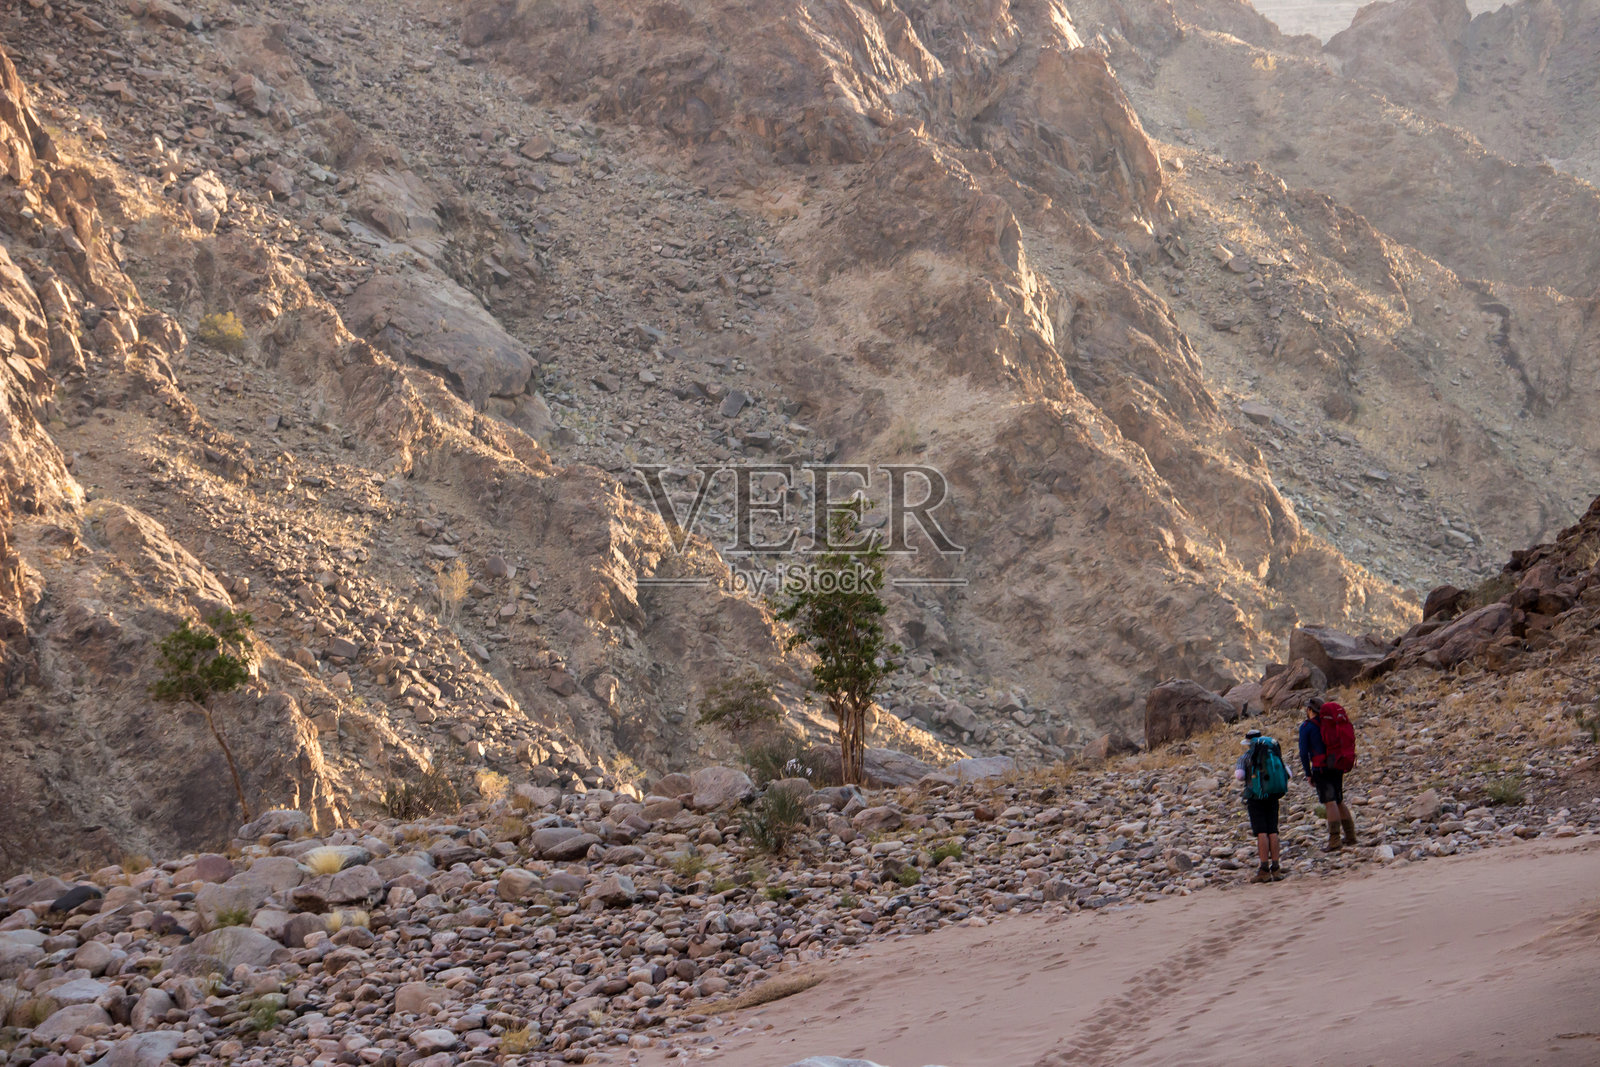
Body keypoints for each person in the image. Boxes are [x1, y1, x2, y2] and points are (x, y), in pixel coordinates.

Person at [1300, 697, 1358, 850]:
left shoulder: (1307, 727)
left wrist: (1308, 773)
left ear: (1310, 710)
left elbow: (1303, 753)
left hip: (1321, 768)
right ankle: (1350, 835)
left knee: (1330, 802)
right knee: (1339, 800)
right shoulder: (1331, 723)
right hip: (1337, 764)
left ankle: (1334, 840)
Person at [1235, 727, 1291, 882]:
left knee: (1261, 832)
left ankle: (1264, 869)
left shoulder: (1246, 757)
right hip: (1273, 796)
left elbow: (1239, 776)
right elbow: (1288, 774)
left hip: (1255, 797)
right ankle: (1276, 867)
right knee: (1273, 831)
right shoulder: (1274, 754)